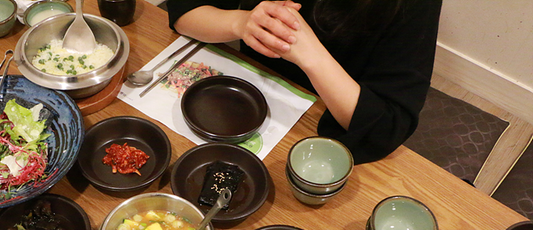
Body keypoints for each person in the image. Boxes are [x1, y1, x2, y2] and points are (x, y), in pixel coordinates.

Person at [166, 0, 443, 164]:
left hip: (321, 132)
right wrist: (241, 22)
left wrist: (310, 56)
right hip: (246, 104)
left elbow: (387, 127)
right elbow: (184, 11)